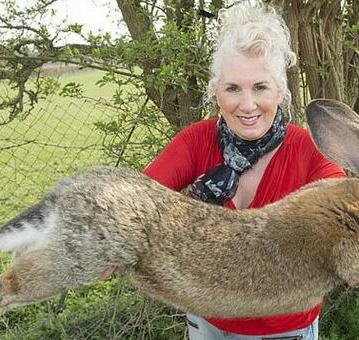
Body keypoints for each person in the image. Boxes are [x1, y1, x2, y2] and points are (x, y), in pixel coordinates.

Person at [143, 2, 345, 339]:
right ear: (215, 92)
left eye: (261, 87)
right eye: (233, 88)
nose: (247, 105)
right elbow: (133, 202)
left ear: (280, 91)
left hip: (287, 329)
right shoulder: (196, 142)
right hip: (209, 322)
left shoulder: (311, 152)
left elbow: (340, 227)